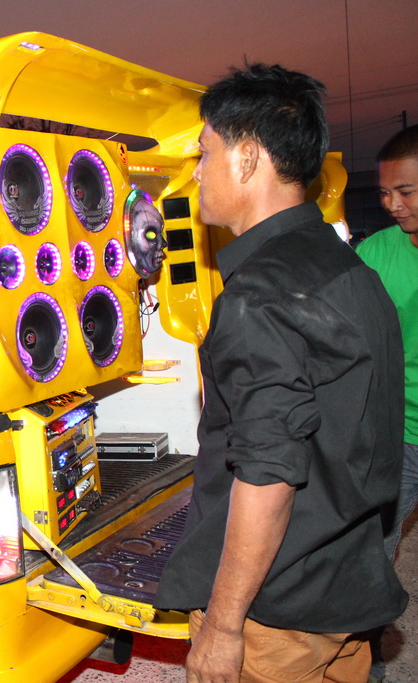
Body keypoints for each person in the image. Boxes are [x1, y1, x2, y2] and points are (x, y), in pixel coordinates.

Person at [153, 63, 407, 683]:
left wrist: (223, 625)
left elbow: (267, 477)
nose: (197, 172)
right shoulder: (346, 266)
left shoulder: (259, 295)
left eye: (204, 152)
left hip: (278, 612)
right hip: (345, 585)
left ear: (247, 158)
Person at [355, 124, 418, 683]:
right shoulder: (375, 253)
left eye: (407, 191)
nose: (393, 204)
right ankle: (366, 669)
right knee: (373, 554)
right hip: (400, 433)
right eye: (385, 193)